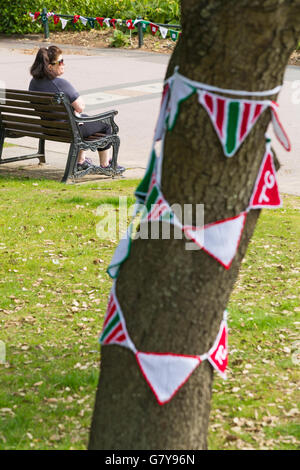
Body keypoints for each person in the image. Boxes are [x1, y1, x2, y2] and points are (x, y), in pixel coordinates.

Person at [28, 46, 124, 174]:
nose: (64, 64)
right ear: (50, 67)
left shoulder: (34, 82)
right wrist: (75, 111)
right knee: (106, 124)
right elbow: (80, 106)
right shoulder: (60, 83)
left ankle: (81, 161)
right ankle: (105, 165)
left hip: (49, 128)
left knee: (83, 118)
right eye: (60, 62)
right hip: (69, 129)